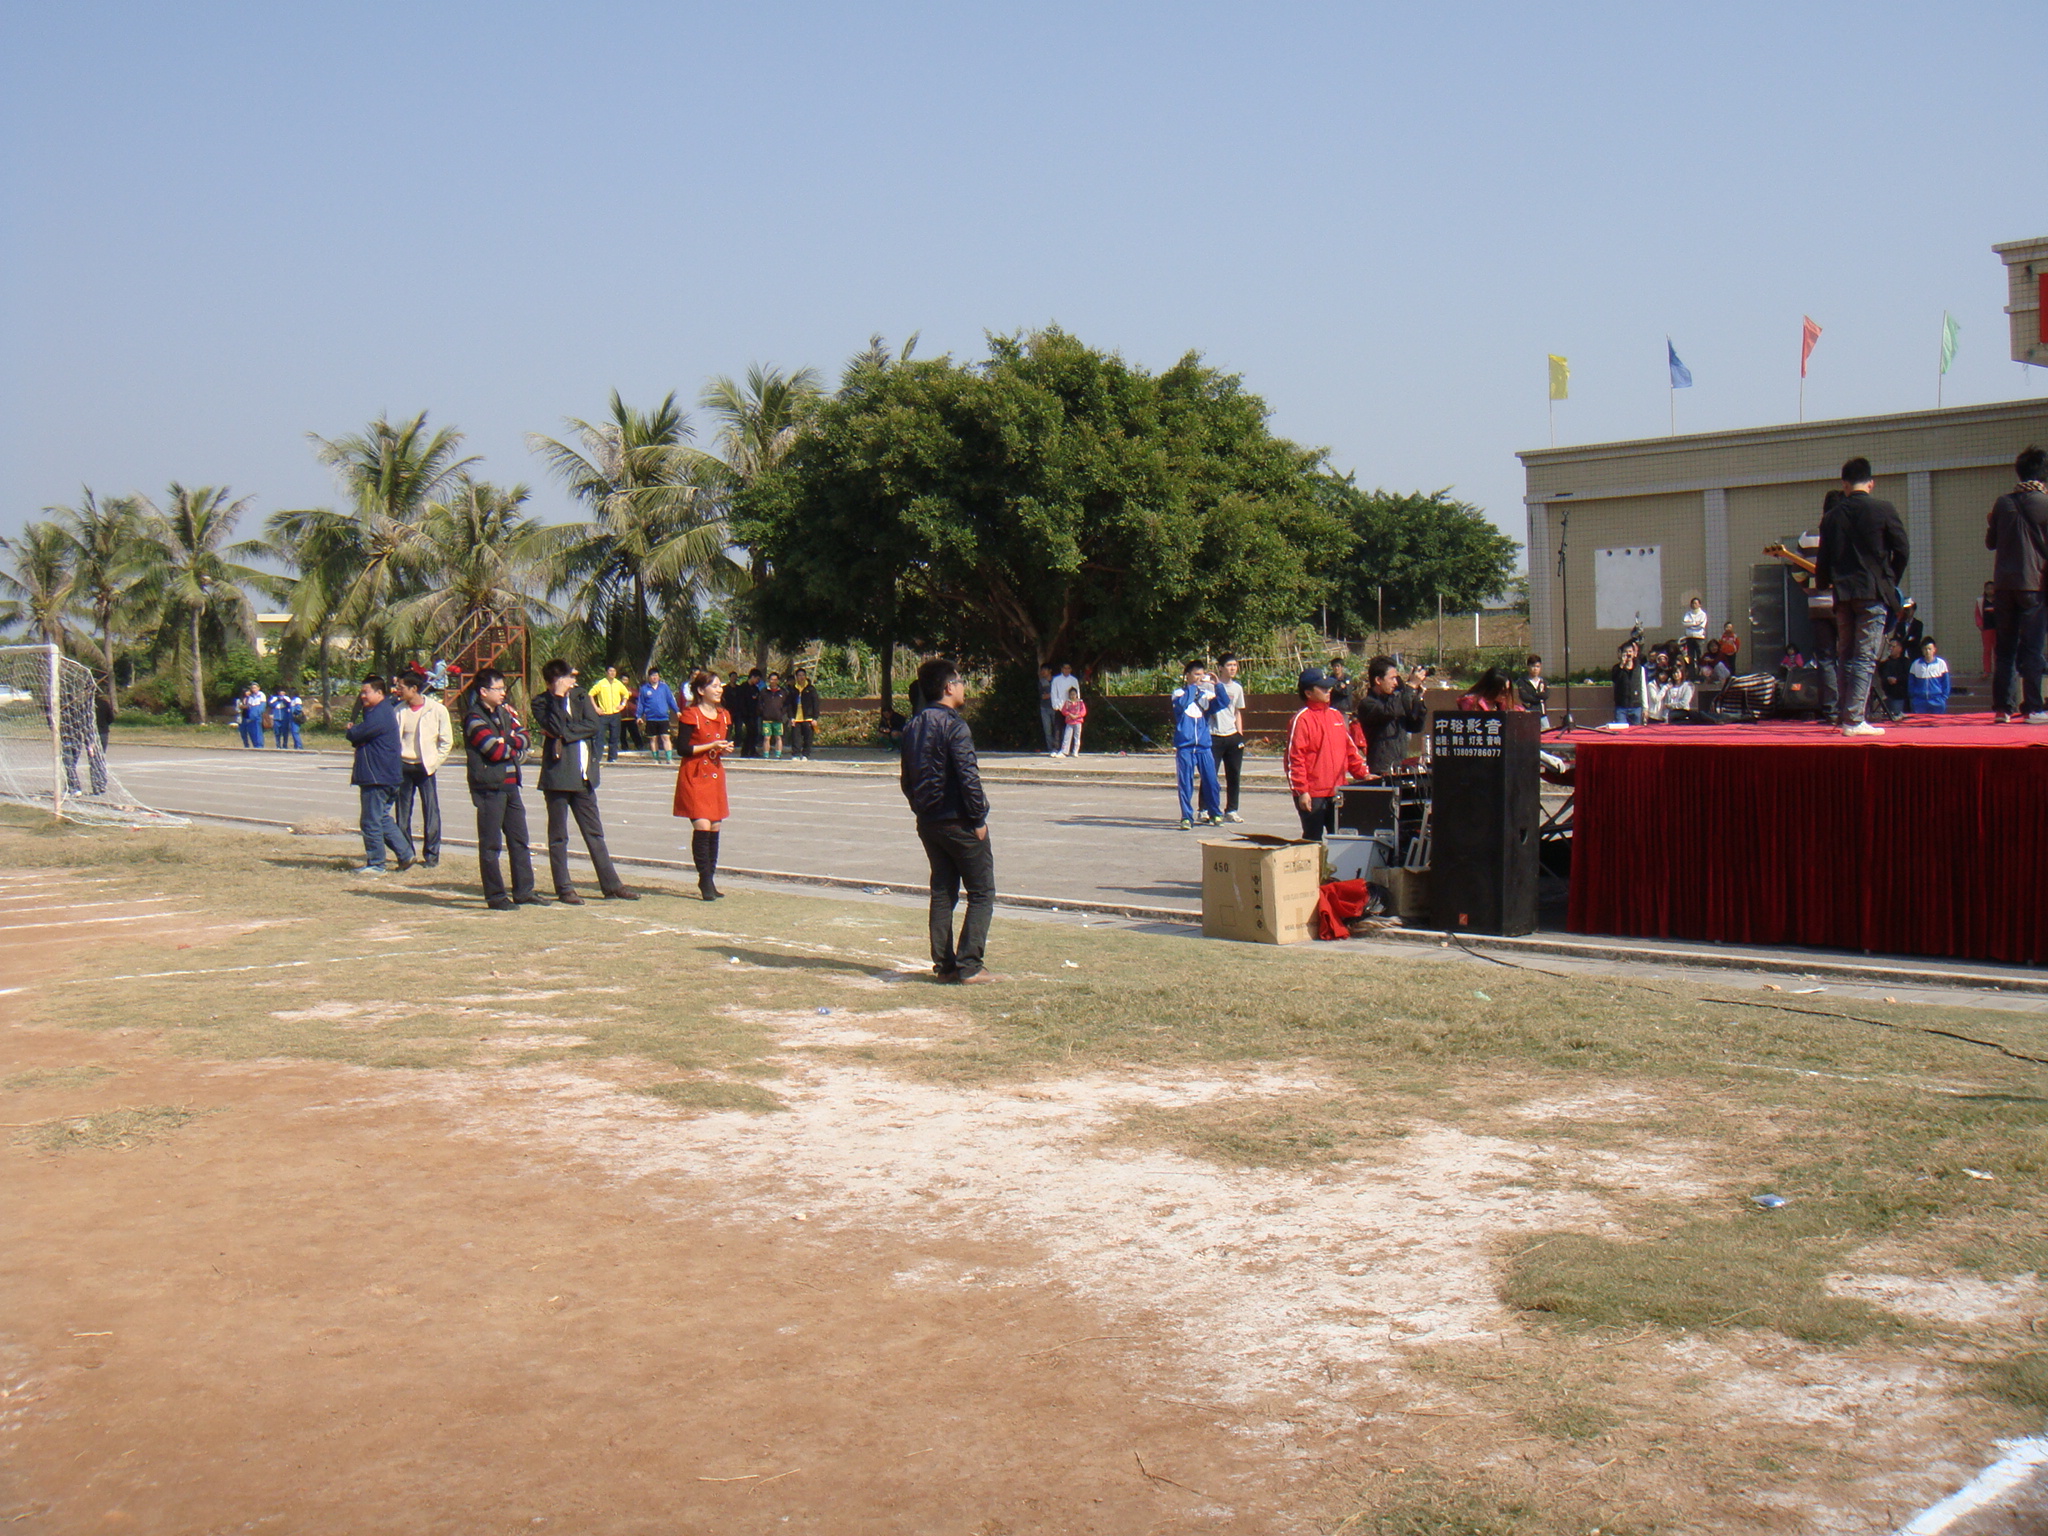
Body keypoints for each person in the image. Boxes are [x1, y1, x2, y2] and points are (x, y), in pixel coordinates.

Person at [898, 657, 996, 984]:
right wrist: (978, 818)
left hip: (929, 822)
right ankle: (970, 965)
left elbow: (907, 780)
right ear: (948, 687)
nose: (964, 687)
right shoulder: (954, 726)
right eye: (960, 681)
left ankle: (945, 966)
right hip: (958, 820)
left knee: (942, 891)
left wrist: (921, 810)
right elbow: (969, 777)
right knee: (981, 891)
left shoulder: (913, 726)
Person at [1816, 456, 1910, 737]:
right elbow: (1902, 549)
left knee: (1845, 654)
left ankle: (1845, 714)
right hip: (1872, 592)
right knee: (1866, 656)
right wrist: (1889, 580)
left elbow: (1824, 559)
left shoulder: (1831, 517)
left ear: (1844, 484)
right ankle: (1855, 719)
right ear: (1871, 483)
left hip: (1843, 594)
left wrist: (1825, 583)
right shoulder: (1883, 509)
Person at [534, 658, 638, 904]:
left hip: (584, 777)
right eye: (568, 677)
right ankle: (564, 888)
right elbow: (554, 725)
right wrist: (558, 699)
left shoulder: (580, 696)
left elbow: (593, 725)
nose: (573, 681)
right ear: (554, 681)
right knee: (558, 836)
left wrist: (565, 733)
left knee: (594, 833)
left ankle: (611, 885)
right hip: (558, 777)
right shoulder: (542, 702)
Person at [463, 667, 541, 910]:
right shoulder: (474, 718)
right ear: (483, 691)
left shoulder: (505, 712)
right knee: (491, 845)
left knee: (519, 840)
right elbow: (493, 751)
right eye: (497, 689)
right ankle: (496, 896)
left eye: (503, 688)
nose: (502, 693)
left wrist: (508, 741)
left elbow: (525, 737)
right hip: (489, 788)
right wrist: (514, 749)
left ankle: (524, 891)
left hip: (511, 786)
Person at [1985, 446, 2048, 724]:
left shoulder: (2003, 503)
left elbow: (1991, 543)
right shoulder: (2045, 503)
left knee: (2005, 649)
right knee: (2032, 648)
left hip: (2003, 586)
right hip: (2034, 585)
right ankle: (2033, 707)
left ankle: (2003, 708)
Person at [1286, 665, 1373, 840]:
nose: (1328, 691)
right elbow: (1294, 759)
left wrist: (1363, 774)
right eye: (1323, 688)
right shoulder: (1302, 720)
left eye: (1329, 687)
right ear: (1308, 693)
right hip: (1313, 794)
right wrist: (1302, 791)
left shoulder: (1336, 716)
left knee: (1342, 839)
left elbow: (1350, 750)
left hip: (1338, 791)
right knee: (1312, 839)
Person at [672, 668, 734, 899]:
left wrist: (724, 748)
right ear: (701, 690)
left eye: (720, 686)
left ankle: (710, 878)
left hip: (715, 774)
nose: (719, 690)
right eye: (714, 686)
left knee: (715, 826)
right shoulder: (691, 714)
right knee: (702, 825)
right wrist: (711, 746)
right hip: (695, 775)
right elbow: (683, 748)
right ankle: (704, 880)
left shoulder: (724, 715)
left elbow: (722, 742)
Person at [344, 674, 413, 875]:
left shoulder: (380, 713)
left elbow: (357, 734)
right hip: (385, 775)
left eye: (366, 692)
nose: (362, 696)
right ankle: (405, 853)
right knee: (381, 817)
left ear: (379, 693)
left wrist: (352, 731)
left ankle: (376, 863)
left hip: (377, 777)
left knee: (371, 821)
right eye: (361, 692)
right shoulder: (376, 711)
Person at [392, 669, 452, 869]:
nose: (398, 690)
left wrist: (434, 762)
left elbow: (446, 742)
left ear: (414, 688)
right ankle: (406, 855)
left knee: (431, 811)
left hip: (426, 768)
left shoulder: (436, 710)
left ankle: (431, 856)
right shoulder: (398, 710)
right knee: (402, 814)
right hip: (403, 767)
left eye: (401, 687)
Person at [1169, 660, 1224, 830]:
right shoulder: (1178, 693)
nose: (1200, 677)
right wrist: (1193, 687)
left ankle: (1215, 813)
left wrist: (1218, 685)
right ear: (1187, 675)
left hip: (1203, 746)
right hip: (1185, 746)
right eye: (1196, 674)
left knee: (1211, 781)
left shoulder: (1206, 695)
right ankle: (1186, 817)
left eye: (1202, 674)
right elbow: (1182, 704)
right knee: (1185, 783)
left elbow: (1223, 703)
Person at [1354, 656, 1430, 773]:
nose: (1396, 683)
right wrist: (1410, 686)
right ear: (1378, 680)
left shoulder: (1395, 702)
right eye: (1392, 678)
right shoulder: (1368, 704)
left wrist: (1417, 699)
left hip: (1400, 767)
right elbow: (1390, 711)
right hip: (1381, 770)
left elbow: (1415, 726)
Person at [1209, 654, 1248, 821]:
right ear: (1220, 668)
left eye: (1235, 665)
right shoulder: (1211, 687)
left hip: (1232, 736)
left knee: (1234, 775)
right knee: (1210, 775)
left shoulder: (1237, 688)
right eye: (1229, 665)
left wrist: (1240, 735)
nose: (1232, 668)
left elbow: (1237, 712)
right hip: (1214, 736)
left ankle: (1231, 810)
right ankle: (1205, 809)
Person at [589, 664, 631, 763]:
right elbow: (590, 694)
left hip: (615, 714)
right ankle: (597, 758)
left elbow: (626, 694)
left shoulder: (618, 683)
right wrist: (596, 708)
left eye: (614, 671)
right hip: (603, 714)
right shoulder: (601, 683)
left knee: (614, 737)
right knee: (599, 737)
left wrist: (623, 704)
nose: (612, 673)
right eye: (610, 671)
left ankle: (612, 757)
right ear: (606, 673)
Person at [637, 667, 679, 762]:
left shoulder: (664, 687)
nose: (654, 677)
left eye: (656, 675)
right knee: (653, 739)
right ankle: (656, 759)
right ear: (649, 677)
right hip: (651, 718)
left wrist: (677, 710)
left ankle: (669, 759)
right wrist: (639, 716)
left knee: (666, 737)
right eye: (652, 676)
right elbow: (641, 703)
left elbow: (670, 700)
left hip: (663, 718)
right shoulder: (644, 689)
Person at [1908, 639, 1952, 716]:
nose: (1927, 651)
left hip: (1937, 700)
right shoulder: (1916, 664)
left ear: (1934, 649)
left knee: (1937, 722)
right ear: (1922, 650)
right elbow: (1911, 682)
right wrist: (1913, 697)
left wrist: (1943, 698)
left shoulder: (1941, 663)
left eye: (1929, 649)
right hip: (1920, 701)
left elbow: (1946, 682)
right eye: (1925, 649)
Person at [1607, 641, 1645, 726]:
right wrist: (1622, 665)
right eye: (1626, 652)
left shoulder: (1638, 668)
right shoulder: (1617, 668)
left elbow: (1643, 687)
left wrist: (1645, 707)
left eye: (1630, 651)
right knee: (1621, 729)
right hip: (1621, 707)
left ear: (1634, 653)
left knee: (1636, 730)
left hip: (1636, 706)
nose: (1628, 654)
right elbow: (1615, 679)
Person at [787, 668, 820, 760]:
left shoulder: (811, 689)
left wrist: (815, 718)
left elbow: (816, 703)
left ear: (805, 676)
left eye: (802, 675)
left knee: (808, 737)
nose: (801, 677)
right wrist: (791, 717)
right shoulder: (793, 690)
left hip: (808, 718)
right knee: (796, 737)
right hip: (796, 718)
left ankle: (805, 754)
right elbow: (789, 704)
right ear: (796, 677)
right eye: (799, 675)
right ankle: (795, 754)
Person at [1876, 637, 1911, 723]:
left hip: (1899, 696)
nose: (1891, 648)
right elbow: (1881, 674)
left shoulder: (1905, 662)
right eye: (1890, 646)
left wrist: (1897, 679)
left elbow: (1907, 677)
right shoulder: (1886, 662)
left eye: (1893, 646)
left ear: (1900, 648)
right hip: (1886, 695)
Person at [758, 670, 788, 758]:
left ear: (778, 680)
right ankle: (766, 755)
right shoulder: (764, 691)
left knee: (778, 737)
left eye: (775, 679)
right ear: (769, 680)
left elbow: (786, 704)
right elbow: (759, 703)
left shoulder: (782, 691)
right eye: (771, 679)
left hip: (778, 719)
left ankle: (778, 755)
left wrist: (782, 713)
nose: (773, 681)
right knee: (766, 737)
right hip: (766, 719)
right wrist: (763, 712)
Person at [735, 667, 764, 757]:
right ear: (752, 677)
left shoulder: (755, 689)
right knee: (750, 732)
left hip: (754, 714)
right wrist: (744, 713)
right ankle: (745, 752)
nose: (757, 681)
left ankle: (752, 750)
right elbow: (740, 702)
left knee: (754, 732)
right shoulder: (742, 688)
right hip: (745, 714)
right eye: (757, 679)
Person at [1515, 655, 1549, 729]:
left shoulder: (1543, 681)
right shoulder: (1522, 682)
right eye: (1533, 666)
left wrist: (1533, 696)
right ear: (1528, 667)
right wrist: (1538, 696)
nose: (1535, 669)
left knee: (1547, 732)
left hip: (1542, 715)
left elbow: (1546, 695)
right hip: (1528, 714)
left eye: (1538, 666)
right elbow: (1524, 697)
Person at [1976, 579, 1998, 681]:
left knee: (1997, 649)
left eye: (1992, 588)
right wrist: (1980, 624)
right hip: (1986, 629)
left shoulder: (1999, 600)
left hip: (1997, 628)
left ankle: (1998, 670)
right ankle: (1987, 670)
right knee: (1987, 650)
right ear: (1985, 590)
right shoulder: (1981, 601)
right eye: (1988, 589)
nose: (1990, 591)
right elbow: (1977, 614)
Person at [1057, 686, 1087, 757]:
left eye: (1074, 694)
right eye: (1071, 694)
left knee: (1077, 736)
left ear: (1076, 694)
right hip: (1069, 722)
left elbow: (1083, 711)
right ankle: (1064, 751)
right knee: (1067, 736)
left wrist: (1077, 715)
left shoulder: (1080, 702)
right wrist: (1070, 714)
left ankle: (1075, 751)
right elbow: (1064, 711)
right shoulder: (1067, 702)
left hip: (1078, 721)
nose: (1072, 696)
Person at [1036, 664, 1057, 753]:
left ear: (1050, 670)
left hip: (1055, 707)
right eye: (1042, 670)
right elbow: (1043, 696)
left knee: (1057, 729)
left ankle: (1057, 747)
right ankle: (1050, 748)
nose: (1043, 672)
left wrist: (1050, 695)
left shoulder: (1056, 680)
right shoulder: (1041, 682)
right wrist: (1052, 694)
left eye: (1045, 670)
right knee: (1047, 730)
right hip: (1045, 708)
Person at [1680, 597, 1708, 662]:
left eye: (1695, 603)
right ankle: (1691, 669)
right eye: (1692, 603)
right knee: (1690, 657)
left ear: (1699, 605)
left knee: (1700, 655)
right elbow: (1684, 623)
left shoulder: (1703, 614)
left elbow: (1701, 625)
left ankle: (1700, 668)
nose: (1694, 605)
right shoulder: (1688, 614)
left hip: (1699, 637)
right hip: (1689, 637)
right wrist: (1694, 623)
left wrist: (1690, 625)